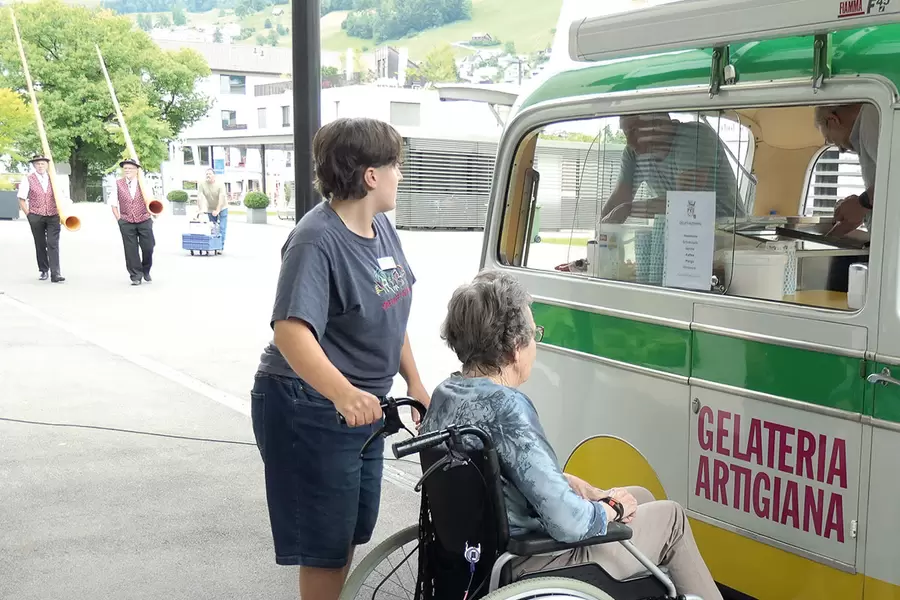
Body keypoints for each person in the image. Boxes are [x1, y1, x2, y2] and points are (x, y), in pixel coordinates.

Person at [419, 270, 723, 600]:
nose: (536, 343)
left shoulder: (445, 393)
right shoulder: (508, 408)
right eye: (535, 335)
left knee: (643, 497)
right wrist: (612, 509)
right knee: (672, 518)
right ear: (514, 350)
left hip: (477, 546)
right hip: (534, 560)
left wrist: (565, 482)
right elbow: (568, 523)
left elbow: (489, 473)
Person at [250, 117, 430, 600]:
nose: (400, 173)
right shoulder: (316, 240)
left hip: (363, 407)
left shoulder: (381, 229)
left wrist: (414, 381)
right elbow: (291, 330)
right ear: (371, 174)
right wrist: (344, 393)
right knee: (325, 545)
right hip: (308, 406)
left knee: (349, 529)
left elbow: (392, 309)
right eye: (395, 164)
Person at [600, 113, 744, 224]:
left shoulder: (694, 137)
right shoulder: (633, 153)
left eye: (634, 131)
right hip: (684, 233)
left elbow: (684, 202)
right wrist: (599, 238)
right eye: (625, 133)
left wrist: (629, 209)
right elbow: (619, 199)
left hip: (728, 234)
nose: (629, 142)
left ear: (658, 123)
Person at [814, 103, 879, 292]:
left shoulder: (872, 118)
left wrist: (862, 203)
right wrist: (861, 208)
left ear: (833, 120)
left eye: (830, 140)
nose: (840, 149)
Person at [17, 155, 65, 283]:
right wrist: (29, 215)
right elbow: (21, 198)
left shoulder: (53, 179)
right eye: (37, 164)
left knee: (52, 243)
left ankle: (56, 273)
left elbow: (62, 196)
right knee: (40, 243)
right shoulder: (28, 179)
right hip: (36, 216)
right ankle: (44, 270)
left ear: (47, 165)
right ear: (34, 166)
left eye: (42, 163)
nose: (40, 166)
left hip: (53, 215)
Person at [107, 158, 155, 286]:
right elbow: (113, 203)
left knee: (148, 247)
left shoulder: (144, 183)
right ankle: (135, 275)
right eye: (125, 168)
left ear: (136, 170)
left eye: (130, 168)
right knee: (130, 250)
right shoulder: (118, 184)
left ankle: (146, 269)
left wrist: (152, 215)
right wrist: (119, 219)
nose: (127, 170)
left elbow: (152, 201)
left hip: (144, 219)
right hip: (126, 221)